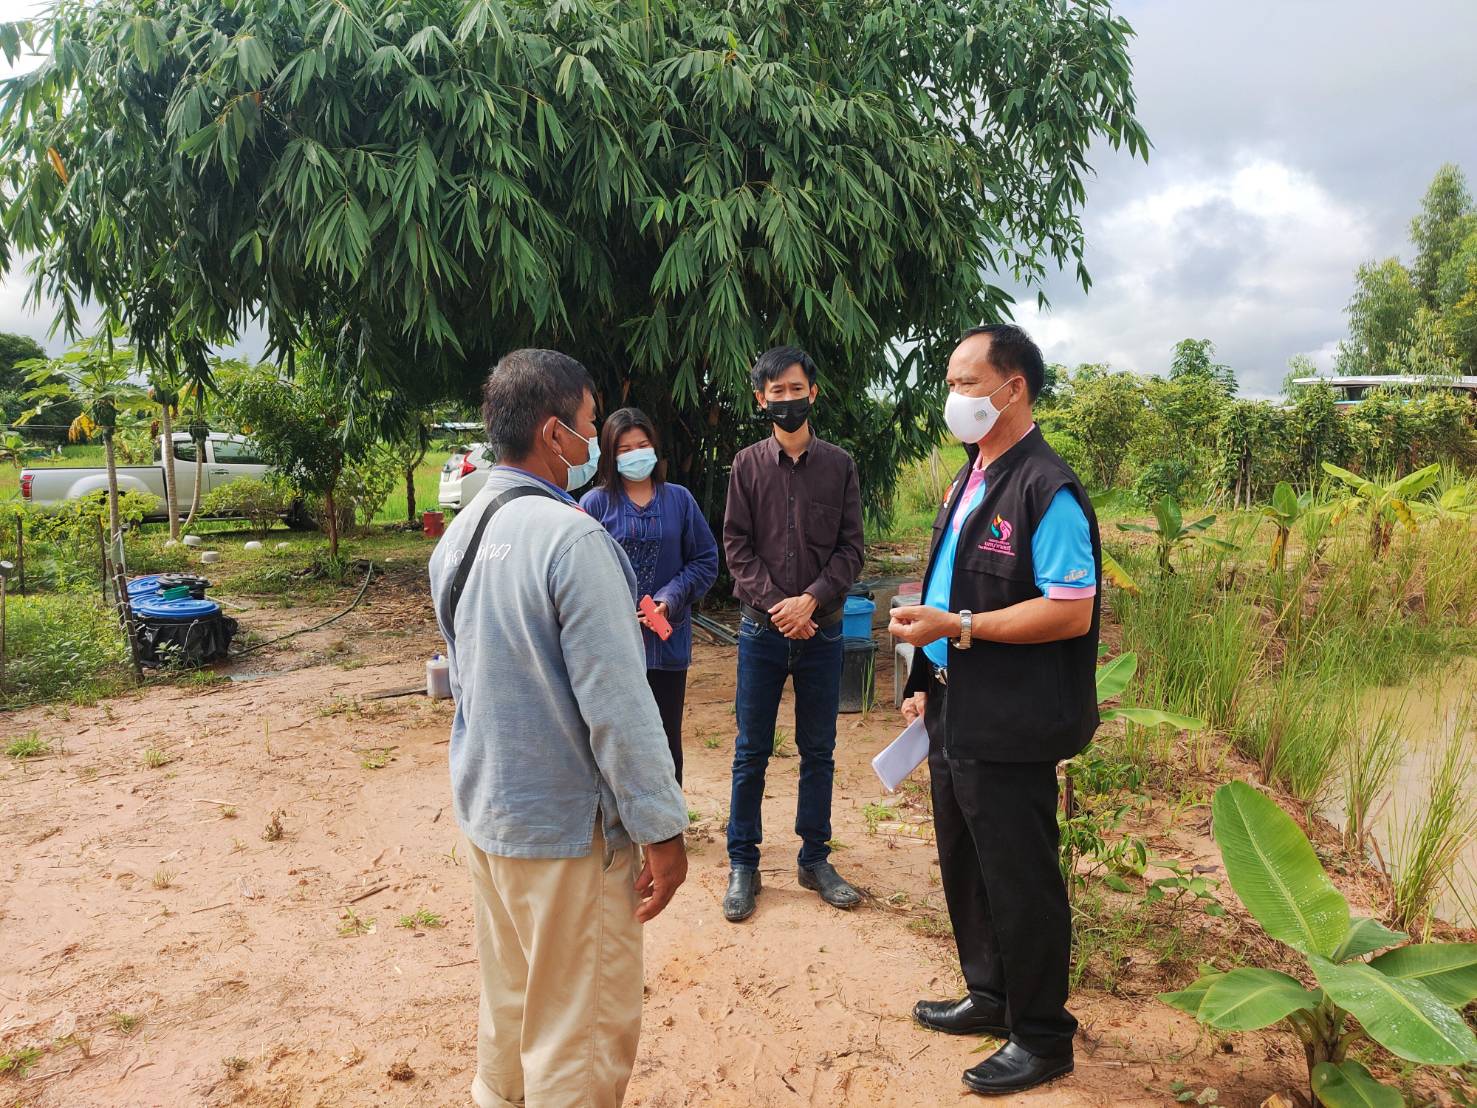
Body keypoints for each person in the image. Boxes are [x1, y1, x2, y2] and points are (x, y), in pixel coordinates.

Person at [428, 349, 689, 1108]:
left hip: (492, 820)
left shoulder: (461, 533)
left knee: (511, 1009)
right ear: (552, 434)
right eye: (587, 428)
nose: (598, 446)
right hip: (570, 839)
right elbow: (619, 707)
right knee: (576, 1042)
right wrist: (662, 829)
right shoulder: (572, 541)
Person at [889, 324, 1101, 1097]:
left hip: (1010, 719)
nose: (955, 398)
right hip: (952, 703)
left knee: (1018, 876)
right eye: (950, 383)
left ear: (1013, 388)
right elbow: (949, 584)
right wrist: (924, 668)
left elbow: (1069, 610)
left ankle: (1042, 1034)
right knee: (965, 862)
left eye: (967, 383)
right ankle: (988, 995)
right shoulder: (970, 476)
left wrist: (963, 630)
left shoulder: (1046, 487)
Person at [720, 344, 866, 923]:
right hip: (762, 631)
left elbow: (852, 548)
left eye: (796, 388)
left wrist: (811, 600)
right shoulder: (746, 466)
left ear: (814, 392)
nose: (787, 399)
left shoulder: (840, 465)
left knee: (819, 749)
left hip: (823, 632)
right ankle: (743, 864)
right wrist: (782, 605)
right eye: (775, 391)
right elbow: (737, 547)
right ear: (761, 399)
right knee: (750, 749)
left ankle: (814, 858)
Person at [581, 407, 719, 785]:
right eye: (625, 449)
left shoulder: (680, 500)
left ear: (655, 448)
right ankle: (622, 827)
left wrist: (670, 598)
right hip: (613, 646)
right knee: (614, 739)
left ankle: (667, 828)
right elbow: (581, 573)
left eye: (642, 445)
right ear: (610, 455)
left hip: (668, 644)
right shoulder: (594, 505)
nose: (635, 454)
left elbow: (705, 561)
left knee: (665, 738)